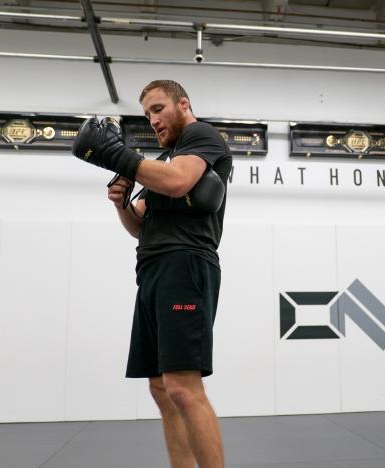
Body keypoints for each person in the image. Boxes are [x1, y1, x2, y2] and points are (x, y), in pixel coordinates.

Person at [71, 79, 232, 468]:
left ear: (183, 104)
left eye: (158, 109)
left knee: (182, 387)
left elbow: (179, 183)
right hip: (152, 268)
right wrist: (121, 203)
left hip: (185, 262)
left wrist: (119, 156)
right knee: (161, 387)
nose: (153, 120)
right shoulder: (160, 163)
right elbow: (139, 226)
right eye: (147, 115)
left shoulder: (201, 136)